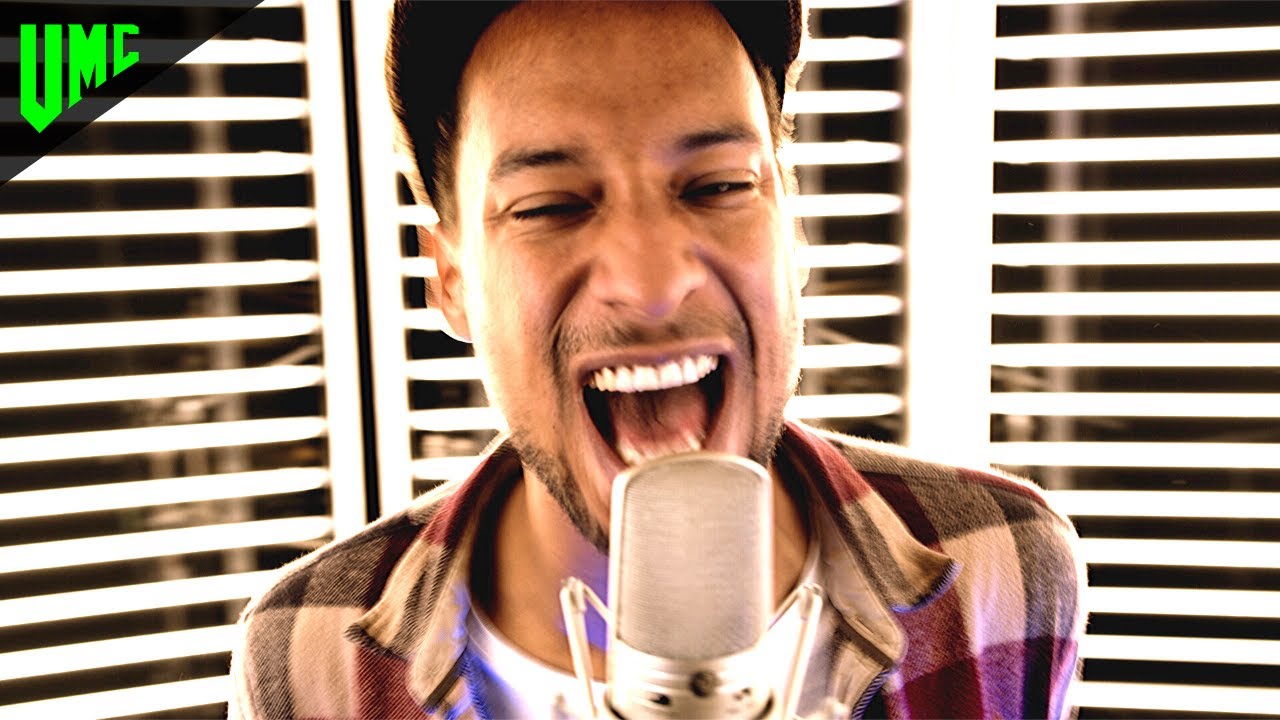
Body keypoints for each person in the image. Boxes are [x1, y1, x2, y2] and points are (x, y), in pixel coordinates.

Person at [231, 2, 1085, 718]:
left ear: (790, 229)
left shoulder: (1006, 571)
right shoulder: (304, 660)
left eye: (719, 186)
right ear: (451, 280)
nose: (651, 286)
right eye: (550, 206)